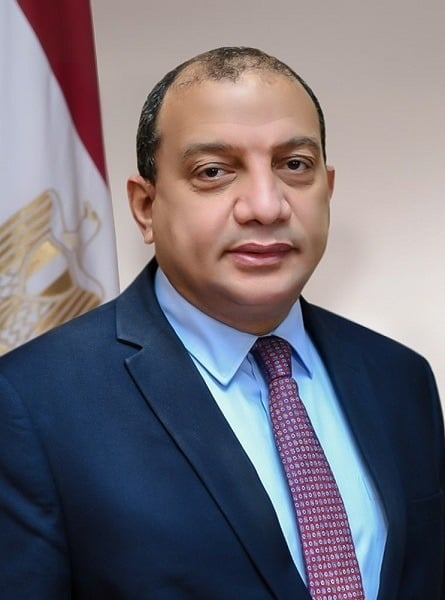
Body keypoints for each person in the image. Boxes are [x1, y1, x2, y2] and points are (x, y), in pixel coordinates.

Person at [0, 47, 443, 600]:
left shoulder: (401, 377)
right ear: (145, 206)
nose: (266, 205)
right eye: (213, 172)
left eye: (294, 165)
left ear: (327, 189)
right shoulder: (30, 404)